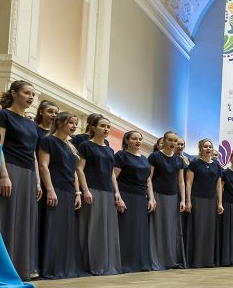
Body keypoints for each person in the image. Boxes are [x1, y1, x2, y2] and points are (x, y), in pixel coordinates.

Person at [0, 80, 41, 280]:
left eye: (33, 94)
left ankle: (21, 267)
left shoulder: (31, 123)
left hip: (29, 173)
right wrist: (4, 175)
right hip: (11, 170)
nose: (31, 97)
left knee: (24, 220)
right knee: (8, 217)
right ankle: (3, 266)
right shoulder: (2, 115)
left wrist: (38, 181)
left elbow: (34, 155)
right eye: (26, 93)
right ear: (14, 93)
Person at [37, 112, 85, 279]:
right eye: (71, 122)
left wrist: (78, 192)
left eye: (76, 123)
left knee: (66, 229)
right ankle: (51, 266)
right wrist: (50, 189)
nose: (74, 126)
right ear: (60, 123)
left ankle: (64, 265)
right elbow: (43, 166)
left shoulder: (71, 146)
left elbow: (73, 172)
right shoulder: (48, 140)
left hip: (69, 191)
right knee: (53, 228)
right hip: (55, 188)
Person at [76, 116, 123, 276]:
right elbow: (79, 169)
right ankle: (91, 263)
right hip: (92, 190)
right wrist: (85, 190)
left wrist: (117, 192)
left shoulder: (110, 149)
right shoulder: (85, 146)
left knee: (106, 228)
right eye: (102, 126)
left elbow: (111, 173)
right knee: (91, 227)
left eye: (108, 127)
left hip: (108, 191)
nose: (106, 129)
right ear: (94, 127)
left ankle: (105, 262)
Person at [114, 131, 154, 273]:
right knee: (126, 230)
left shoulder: (144, 159)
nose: (138, 141)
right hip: (126, 195)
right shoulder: (121, 155)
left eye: (140, 139)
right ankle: (125, 263)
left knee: (139, 231)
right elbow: (113, 177)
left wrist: (151, 198)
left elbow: (148, 180)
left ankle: (139, 263)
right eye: (134, 139)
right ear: (127, 140)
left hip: (141, 198)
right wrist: (118, 196)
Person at [148, 130, 186, 270]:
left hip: (173, 197)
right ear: (163, 141)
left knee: (171, 229)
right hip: (158, 195)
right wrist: (151, 197)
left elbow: (181, 182)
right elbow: (148, 179)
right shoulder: (155, 156)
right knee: (158, 227)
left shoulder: (179, 160)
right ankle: (157, 259)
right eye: (170, 140)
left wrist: (182, 200)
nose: (173, 143)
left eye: (175, 141)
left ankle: (170, 259)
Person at [185, 138, 224, 268]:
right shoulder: (194, 164)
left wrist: (220, 203)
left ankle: (208, 260)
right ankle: (196, 260)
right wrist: (188, 200)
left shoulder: (217, 166)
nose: (208, 149)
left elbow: (219, 186)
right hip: (197, 199)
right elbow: (188, 183)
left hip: (212, 200)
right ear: (200, 148)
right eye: (205, 146)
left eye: (210, 146)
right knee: (198, 229)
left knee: (209, 230)